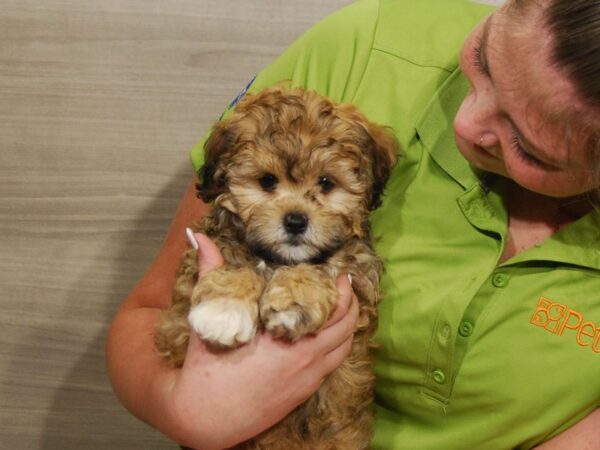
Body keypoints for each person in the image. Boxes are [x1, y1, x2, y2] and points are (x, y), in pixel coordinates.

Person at [106, 0, 600, 448]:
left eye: (524, 144)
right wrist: (186, 411)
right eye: (483, 60)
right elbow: (150, 309)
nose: (466, 124)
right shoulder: (366, 49)